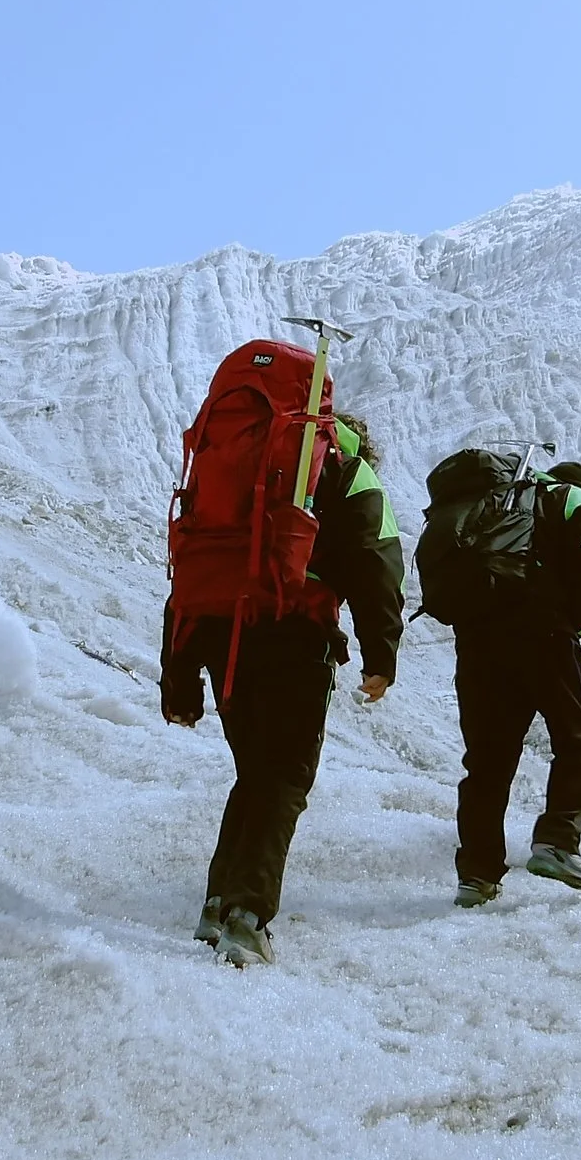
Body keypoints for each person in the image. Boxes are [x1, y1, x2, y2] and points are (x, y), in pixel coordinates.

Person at [161, 411, 404, 966]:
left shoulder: (235, 468)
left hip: (219, 635)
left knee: (255, 774)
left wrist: (178, 680)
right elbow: (377, 561)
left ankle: (218, 904)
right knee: (286, 777)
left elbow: (192, 567)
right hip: (293, 633)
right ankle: (247, 919)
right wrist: (380, 655)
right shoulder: (347, 472)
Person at [448, 460, 581, 906]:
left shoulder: (497, 505)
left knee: (487, 761)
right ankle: (557, 843)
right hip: (544, 635)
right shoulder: (574, 499)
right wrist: (567, 620)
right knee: (580, 740)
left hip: (478, 641)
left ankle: (477, 875)